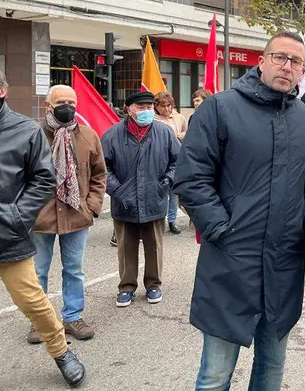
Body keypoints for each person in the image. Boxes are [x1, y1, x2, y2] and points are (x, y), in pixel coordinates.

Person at [174, 32, 305, 391]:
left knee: (271, 370)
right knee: (215, 376)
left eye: (296, 62)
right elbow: (191, 180)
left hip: (283, 266)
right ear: (262, 60)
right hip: (230, 262)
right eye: (280, 57)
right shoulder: (220, 108)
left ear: (303, 71)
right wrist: (223, 230)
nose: (287, 66)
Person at [0, 71, 86, 387]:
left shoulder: (24, 131)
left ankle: (62, 352)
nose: (67, 106)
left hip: (8, 237)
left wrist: (15, 217)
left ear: (3, 90)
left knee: (34, 301)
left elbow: (43, 179)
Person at [28, 85, 106, 345]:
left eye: (71, 101)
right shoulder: (32, 135)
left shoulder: (87, 136)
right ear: (48, 106)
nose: (67, 106)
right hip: (40, 218)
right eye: (61, 101)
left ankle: (72, 317)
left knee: (74, 270)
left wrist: (92, 206)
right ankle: (40, 322)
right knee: (38, 272)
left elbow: (99, 174)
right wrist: (26, 210)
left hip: (76, 216)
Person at [102, 91, 180, 308]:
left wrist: (165, 182)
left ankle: (153, 284)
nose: (146, 111)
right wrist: (118, 190)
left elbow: (178, 162)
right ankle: (126, 286)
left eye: (149, 107)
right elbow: (102, 169)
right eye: (140, 107)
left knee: (154, 246)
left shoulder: (164, 133)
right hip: (123, 203)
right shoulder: (111, 135)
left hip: (154, 199)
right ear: (129, 110)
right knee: (126, 247)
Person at [154, 90, 188, 235]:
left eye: (169, 106)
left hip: (176, 159)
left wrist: (182, 136)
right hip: (159, 160)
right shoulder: (154, 119)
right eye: (163, 106)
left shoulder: (179, 118)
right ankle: (158, 220)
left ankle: (172, 220)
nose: (167, 109)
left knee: (174, 192)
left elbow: (188, 134)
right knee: (159, 191)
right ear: (157, 107)